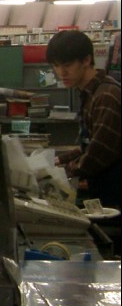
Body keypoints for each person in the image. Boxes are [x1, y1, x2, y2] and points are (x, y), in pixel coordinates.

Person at [47, 30, 121, 211]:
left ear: (86, 60)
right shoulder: (89, 93)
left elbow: (97, 153)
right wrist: (57, 160)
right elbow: (88, 145)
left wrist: (58, 173)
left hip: (115, 194)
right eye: (56, 66)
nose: (61, 72)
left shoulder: (106, 96)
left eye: (67, 65)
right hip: (105, 190)